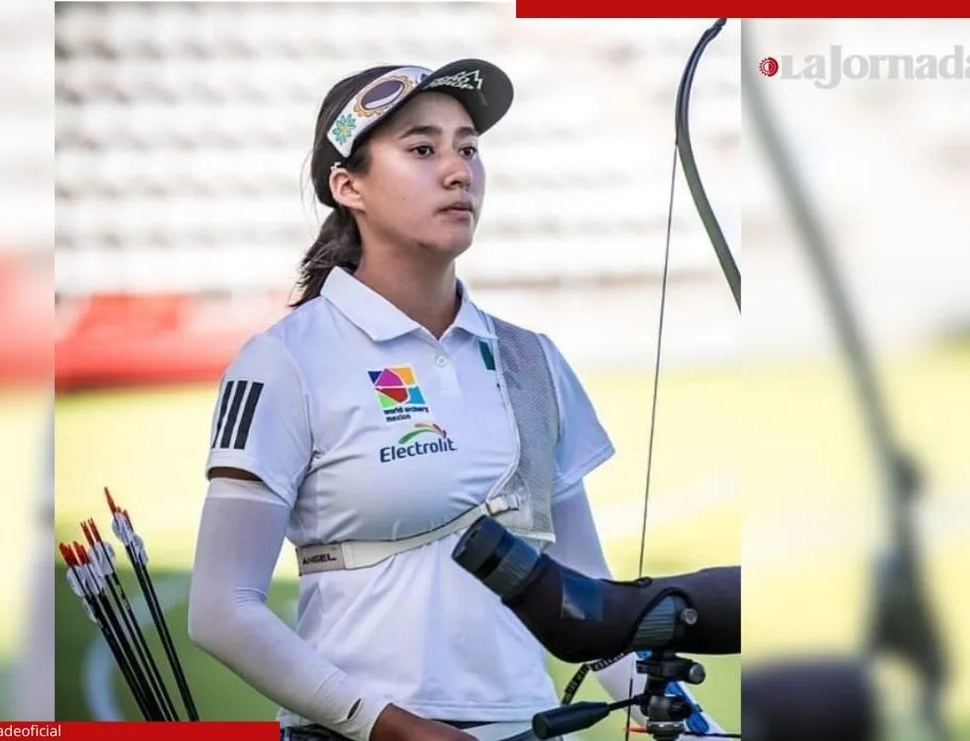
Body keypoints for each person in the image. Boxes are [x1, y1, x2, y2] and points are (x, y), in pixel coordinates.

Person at [188, 59, 730, 741]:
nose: (457, 170)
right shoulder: (286, 359)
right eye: (422, 148)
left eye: (468, 147)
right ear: (346, 185)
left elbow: (591, 608)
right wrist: (388, 724)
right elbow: (220, 607)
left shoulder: (531, 360)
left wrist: (696, 729)